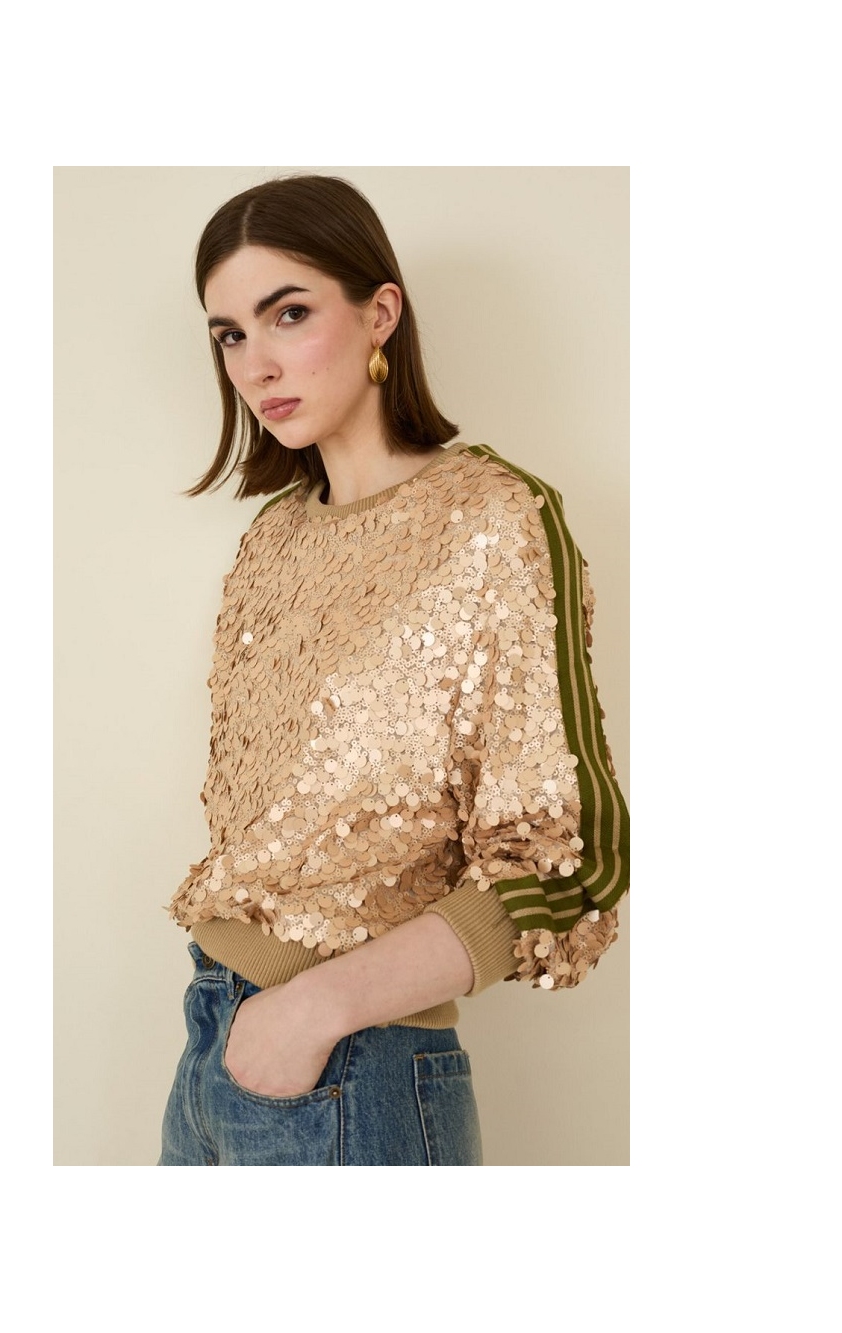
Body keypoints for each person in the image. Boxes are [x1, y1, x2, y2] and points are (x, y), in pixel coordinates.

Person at [158, 175, 629, 1166]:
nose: (255, 362)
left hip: (351, 1068)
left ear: (380, 313)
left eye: (289, 313)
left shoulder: (493, 519)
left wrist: (316, 1009)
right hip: (212, 1042)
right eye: (230, 334)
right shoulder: (272, 541)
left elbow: (572, 860)